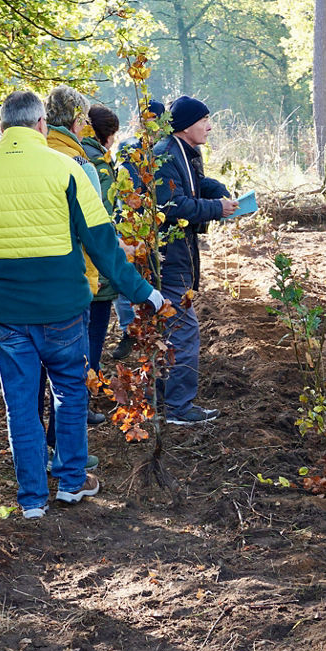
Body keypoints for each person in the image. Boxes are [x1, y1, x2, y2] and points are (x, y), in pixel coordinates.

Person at [0, 90, 169, 518]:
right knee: (70, 394)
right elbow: (103, 246)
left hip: (5, 314)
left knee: (20, 405)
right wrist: (146, 293)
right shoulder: (67, 169)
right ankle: (71, 482)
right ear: (41, 125)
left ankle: (31, 500)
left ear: (0, 128)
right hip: (64, 309)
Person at [151, 96, 237, 425]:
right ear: (187, 125)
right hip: (167, 260)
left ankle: (164, 403)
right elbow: (171, 205)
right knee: (183, 333)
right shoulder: (164, 155)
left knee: (170, 332)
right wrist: (216, 210)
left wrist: (217, 190)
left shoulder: (185, 152)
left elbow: (195, 184)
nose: (210, 126)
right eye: (204, 120)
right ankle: (178, 408)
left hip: (179, 259)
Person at [42, 85, 110, 429]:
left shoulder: (30, 158)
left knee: (31, 377)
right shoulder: (81, 165)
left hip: (25, 281)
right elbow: (96, 233)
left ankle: (34, 450)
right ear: (78, 121)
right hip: (73, 282)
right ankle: (63, 447)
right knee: (68, 372)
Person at [111, 99, 166, 361]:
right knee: (125, 279)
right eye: (145, 119)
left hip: (159, 226)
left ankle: (156, 329)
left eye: (155, 120)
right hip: (130, 224)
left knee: (157, 275)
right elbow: (125, 188)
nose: (150, 125)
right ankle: (128, 332)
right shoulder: (127, 148)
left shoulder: (166, 152)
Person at [83, 103, 123, 375]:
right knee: (93, 336)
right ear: (108, 135)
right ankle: (84, 396)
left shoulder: (67, 153)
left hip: (69, 268)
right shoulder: (99, 165)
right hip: (94, 269)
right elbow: (104, 219)